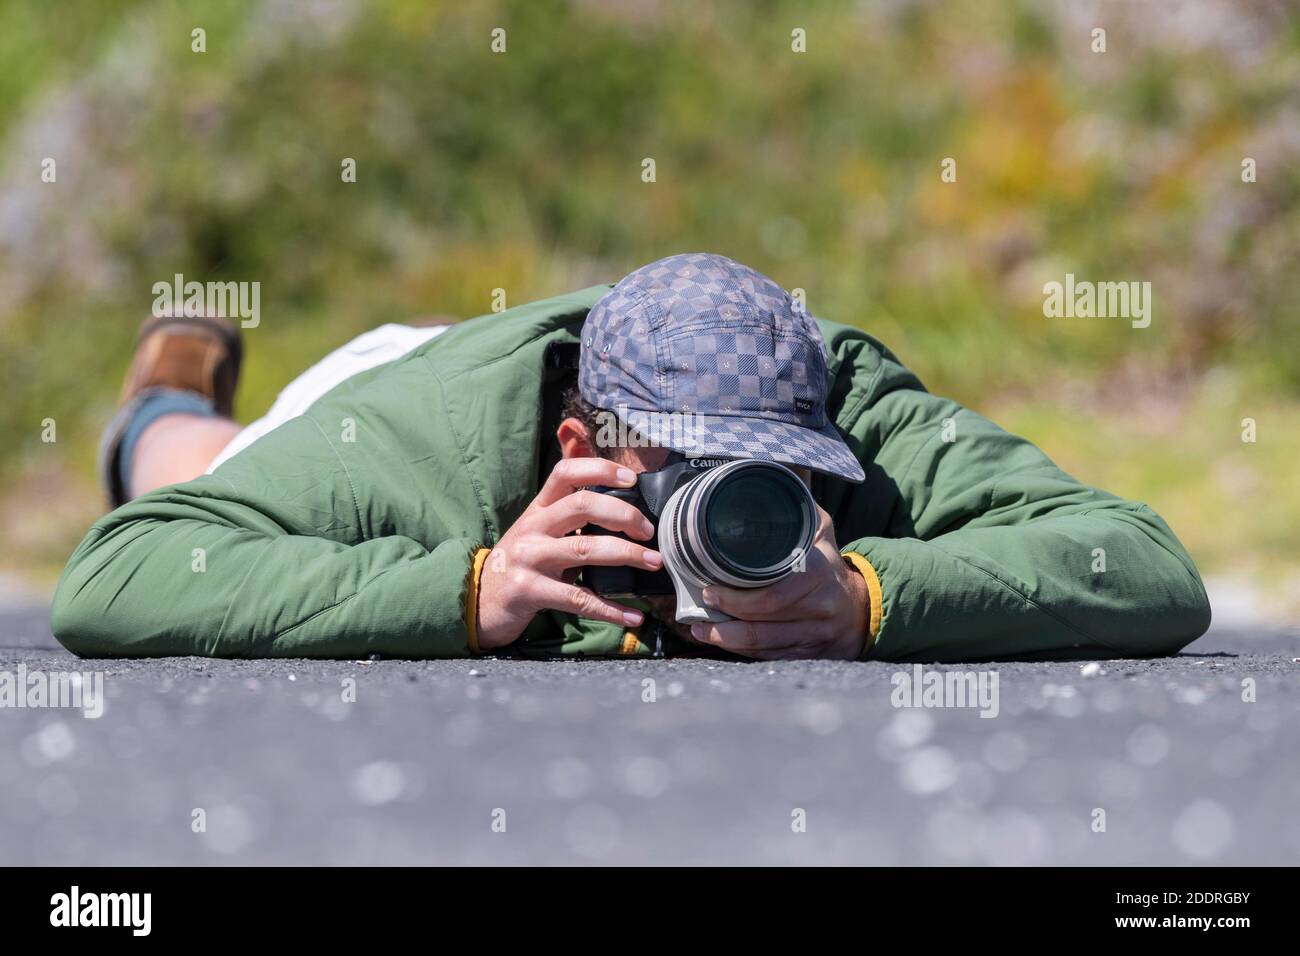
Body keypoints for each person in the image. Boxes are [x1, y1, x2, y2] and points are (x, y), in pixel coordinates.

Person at [50, 253, 1211, 661]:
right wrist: (465, 589)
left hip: (632, 350)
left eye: (770, 470)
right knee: (196, 468)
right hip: (401, 371)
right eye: (690, 470)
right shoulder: (417, 444)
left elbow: (1149, 563)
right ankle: (163, 394)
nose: (736, 504)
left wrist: (869, 596)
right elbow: (115, 577)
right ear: (581, 450)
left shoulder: (852, 409)